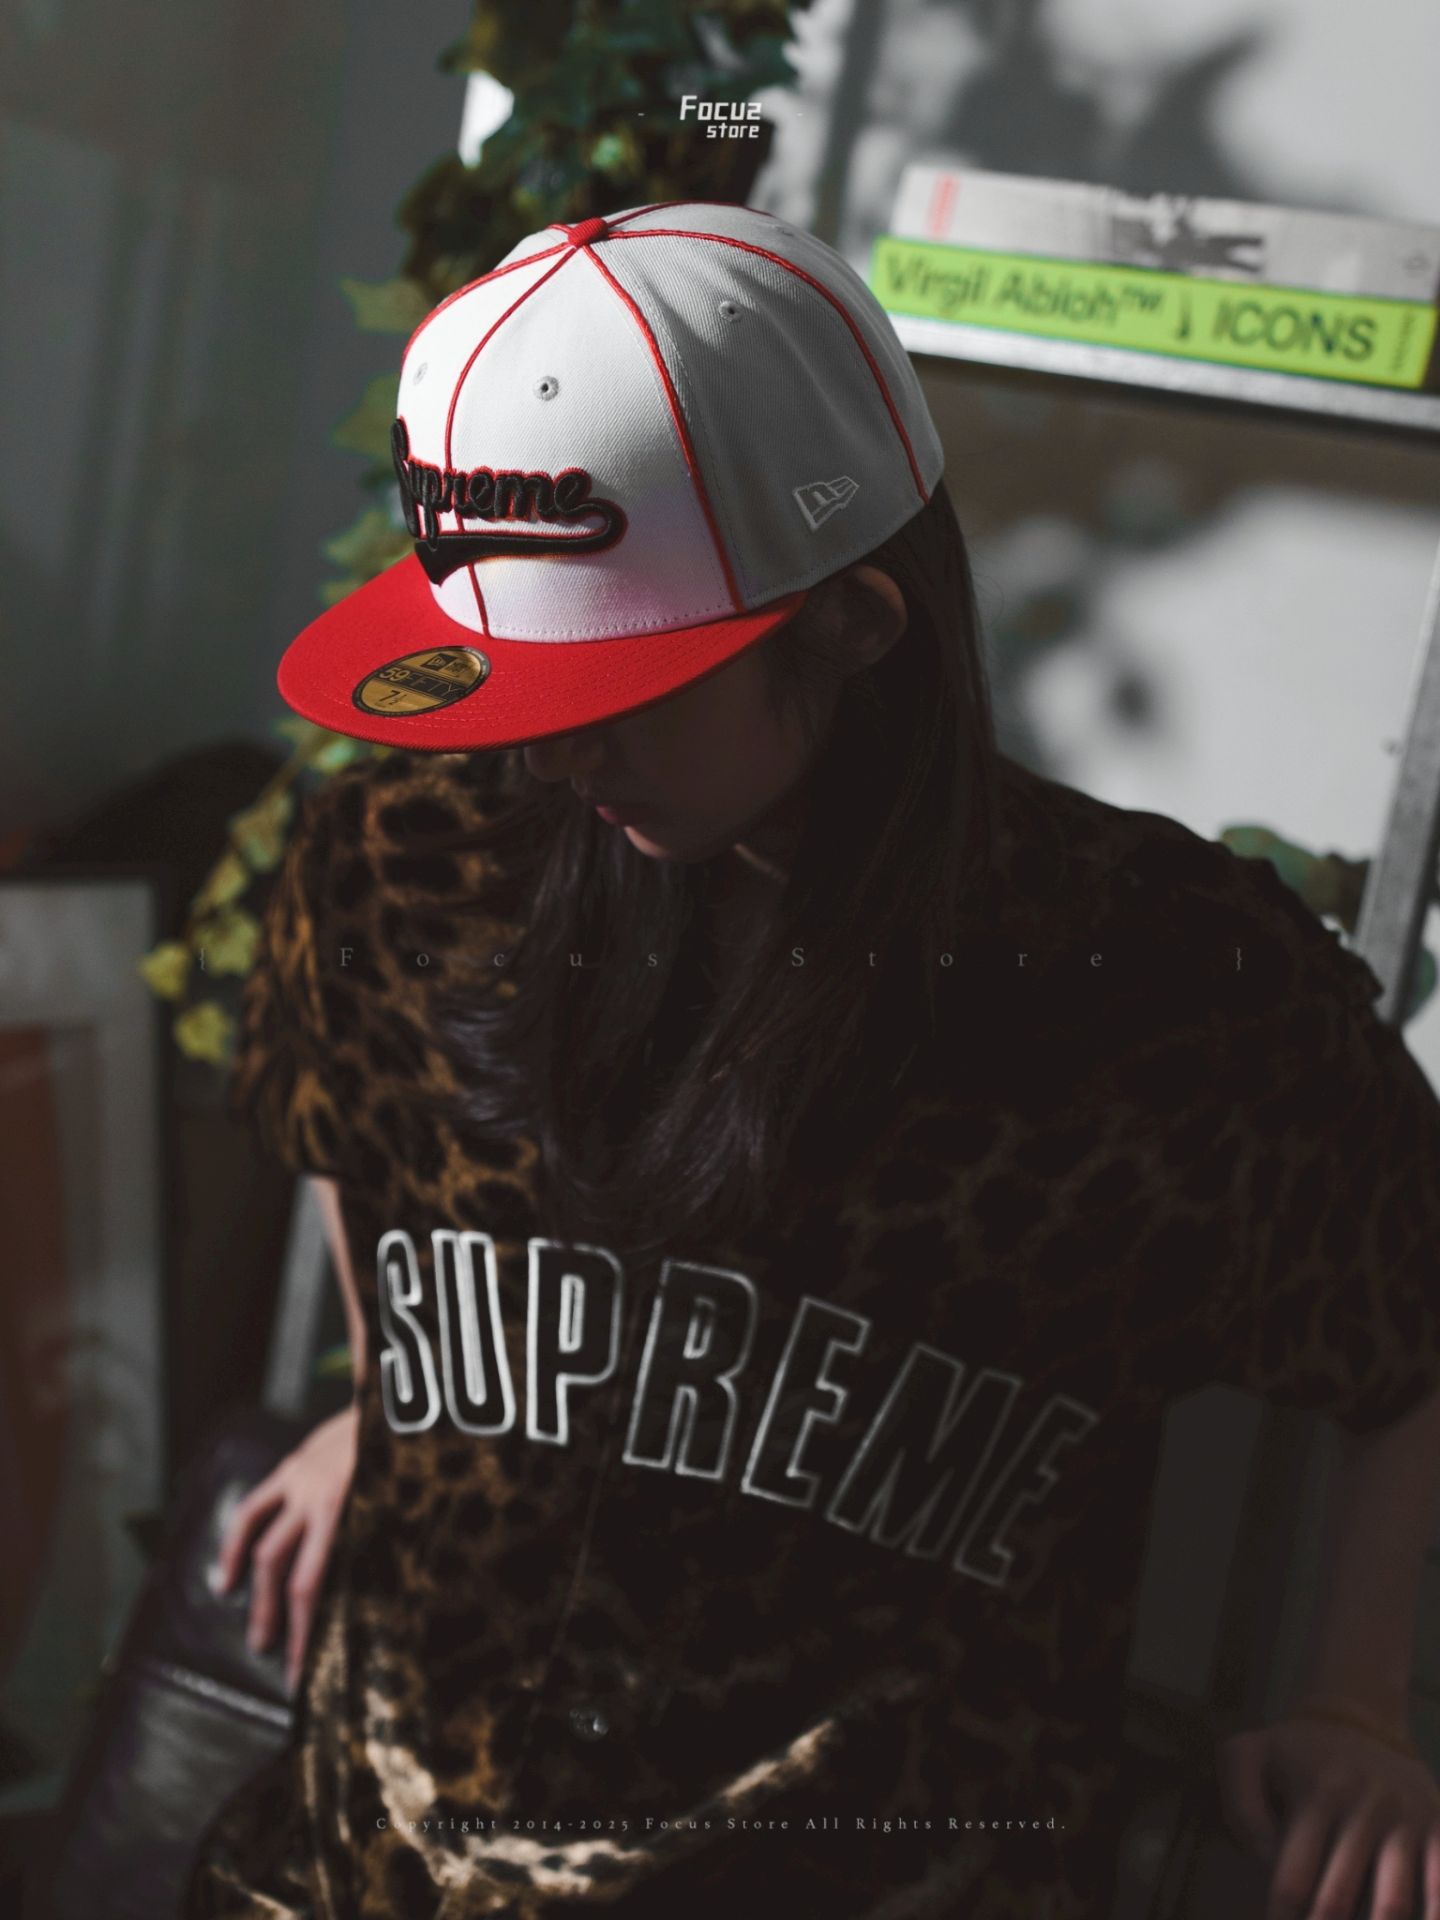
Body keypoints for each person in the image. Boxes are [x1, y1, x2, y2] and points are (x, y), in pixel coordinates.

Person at [185, 202, 1440, 1920]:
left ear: (854, 624)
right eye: (507, 679)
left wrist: (1356, 1698)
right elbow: (351, 1117)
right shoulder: (407, 863)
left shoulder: (1167, 987)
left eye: (615, 682)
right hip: (366, 1860)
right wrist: (397, 1395)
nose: (548, 753)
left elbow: (1416, 1304)